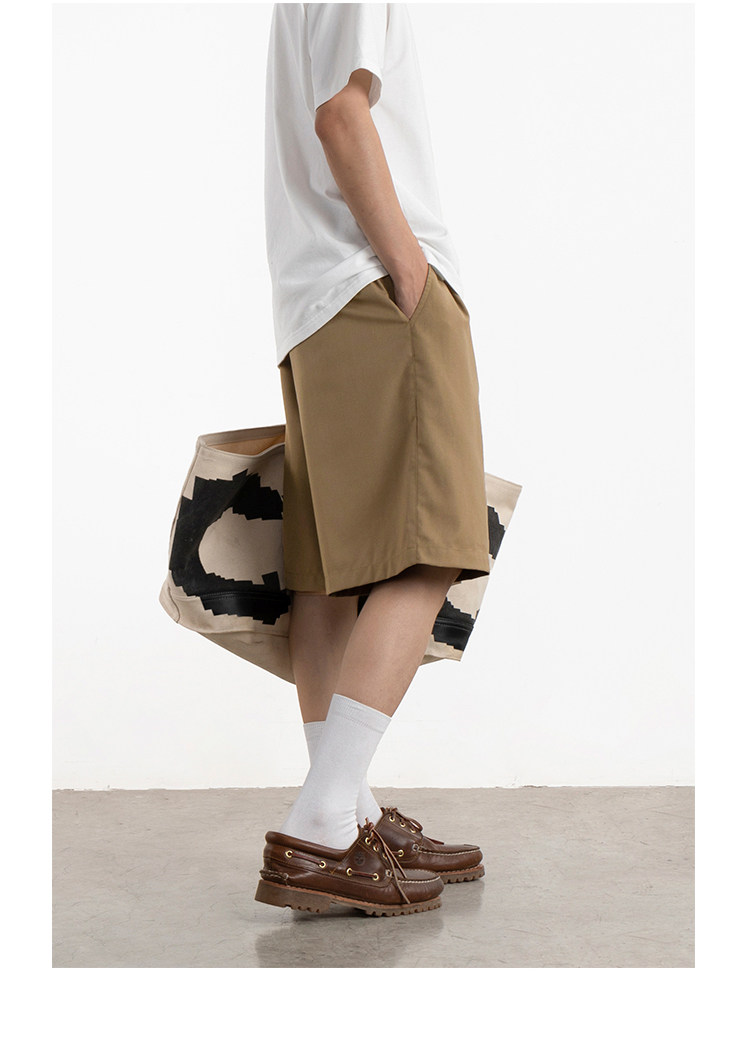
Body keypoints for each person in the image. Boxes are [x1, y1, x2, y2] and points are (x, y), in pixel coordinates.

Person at [255, 3, 490, 917]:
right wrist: (413, 271)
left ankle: (348, 812)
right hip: (374, 288)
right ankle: (320, 826)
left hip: (314, 302)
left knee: (328, 573)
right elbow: (341, 117)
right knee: (431, 550)